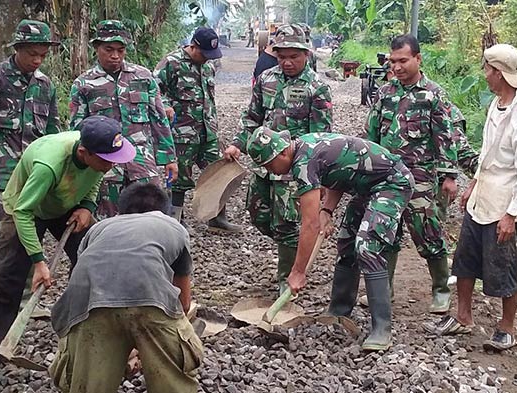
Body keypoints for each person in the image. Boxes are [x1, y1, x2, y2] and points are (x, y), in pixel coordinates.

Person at [0, 116, 136, 377]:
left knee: (96, 261)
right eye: (108, 160)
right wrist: (39, 261)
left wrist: (87, 206)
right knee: (8, 276)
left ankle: (93, 333)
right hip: (26, 207)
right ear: (84, 153)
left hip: (66, 201)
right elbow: (24, 212)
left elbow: (94, 177)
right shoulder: (48, 165)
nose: (112, 166)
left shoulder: (97, 160)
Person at [47, 183, 201, 393]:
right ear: (163, 211)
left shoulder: (98, 229)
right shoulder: (173, 227)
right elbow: (183, 302)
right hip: (151, 302)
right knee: (172, 379)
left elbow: (89, 279)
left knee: (83, 391)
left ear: (121, 209)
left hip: (87, 304)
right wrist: (152, 344)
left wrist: (125, 345)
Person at [424, 44, 517, 351]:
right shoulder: (497, 104)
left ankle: (507, 327)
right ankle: (463, 317)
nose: (486, 76)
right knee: (465, 259)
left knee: (505, 265)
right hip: (485, 194)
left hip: (507, 200)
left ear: (500, 73)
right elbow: (487, 153)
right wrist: (473, 184)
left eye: (488, 70)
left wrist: (511, 214)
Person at [246, 128, 414, 351]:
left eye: (269, 165)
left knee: (367, 245)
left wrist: (298, 271)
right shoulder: (304, 148)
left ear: (282, 154)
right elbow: (339, 174)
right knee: (346, 242)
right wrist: (327, 209)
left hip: (392, 183)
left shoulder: (303, 163)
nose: (271, 172)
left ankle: (382, 329)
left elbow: (309, 225)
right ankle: (339, 312)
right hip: (366, 186)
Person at [0, 20, 61, 342]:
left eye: (42, 55)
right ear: (16, 49)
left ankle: (17, 303)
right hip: (1, 172)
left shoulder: (45, 85)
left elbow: (52, 133)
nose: (37, 60)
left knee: (26, 233)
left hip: (34, 173)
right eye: (32, 53)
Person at [224, 24, 333, 292]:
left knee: (286, 224)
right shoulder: (266, 79)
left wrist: (319, 180)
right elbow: (252, 118)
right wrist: (239, 144)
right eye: (281, 55)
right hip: (265, 165)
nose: (287, 62)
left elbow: (321, 137)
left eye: (293, 56)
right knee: (258, 214)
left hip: (294, 170)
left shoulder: (317, 88)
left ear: (306, 54)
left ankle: (287, 277)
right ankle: (293, 247)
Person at [364, 34, 458, 313]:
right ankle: (385, 289)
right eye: (393, 61)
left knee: (428, 233)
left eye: (403, 60)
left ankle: (441, 289)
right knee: (385, 232)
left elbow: (445, 137)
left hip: (420, 179)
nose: (397, 67)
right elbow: (371, 134)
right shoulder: (384, 94)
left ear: (418, 59)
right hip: (387, 177)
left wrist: (449, 176)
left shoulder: (433, 94)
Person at [70, 20, 178, 218]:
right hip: (105, 164)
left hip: (142, 161)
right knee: (108, 219)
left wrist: (169, 158)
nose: (115, 56)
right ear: (96, 48)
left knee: (152, 216)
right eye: (108, 49)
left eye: (120, 50)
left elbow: (159, 119)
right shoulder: (84, 84)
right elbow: (77, 129)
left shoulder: (143, 77)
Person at [154, 26, 241, 232]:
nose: (207, 58)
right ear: (193, 46)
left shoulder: (208, 66)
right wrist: (165, 105)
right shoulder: (171, 63)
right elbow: (154, 90)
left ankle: (217, 218)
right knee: (179, 178)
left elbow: (208, 98)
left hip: (207, 131)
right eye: (204, 54)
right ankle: (176, 221)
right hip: (181, 133)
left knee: (216, 173)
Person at [436, 106, 479, 221]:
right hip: (392, 179)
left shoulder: (440, 103)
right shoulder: (386, 95)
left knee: (429, 229)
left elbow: (461, 151)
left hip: (430, 182)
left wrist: (485, 173)